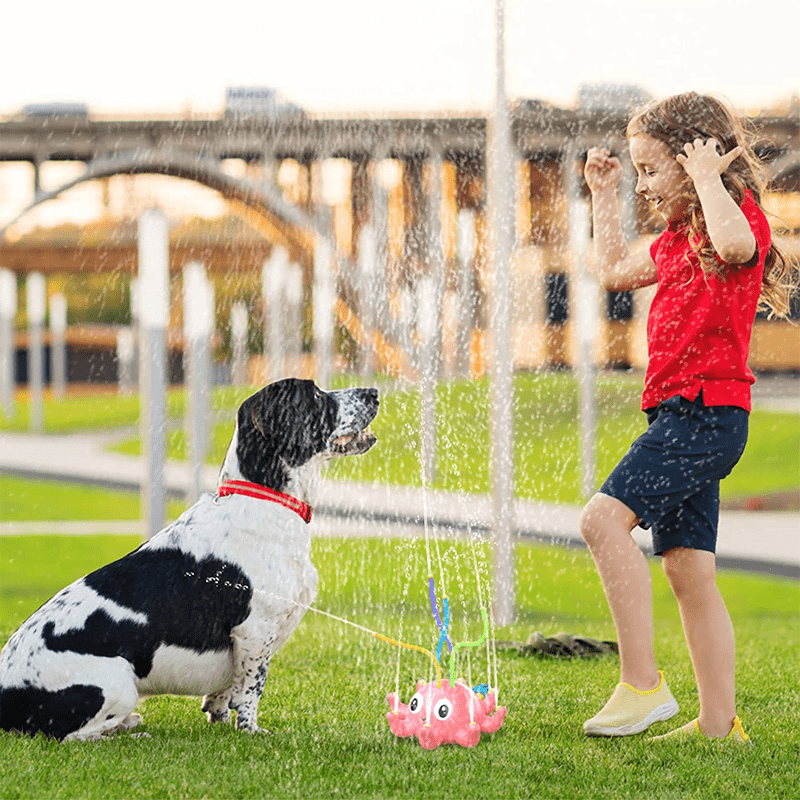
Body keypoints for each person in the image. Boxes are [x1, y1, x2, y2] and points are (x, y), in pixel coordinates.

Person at [579, 92, 797, 741]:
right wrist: (601, 195)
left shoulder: (737, 220)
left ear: (692, 158)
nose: (643, 184)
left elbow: (733, 247)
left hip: (706, 414)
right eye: (637, 172)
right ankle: (718, 724)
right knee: (687, 569)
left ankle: (641, 685)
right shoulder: (675, 241)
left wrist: (707, 181)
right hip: (677, 415)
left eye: (650, 170)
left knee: (600, 522)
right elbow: (615, 269)